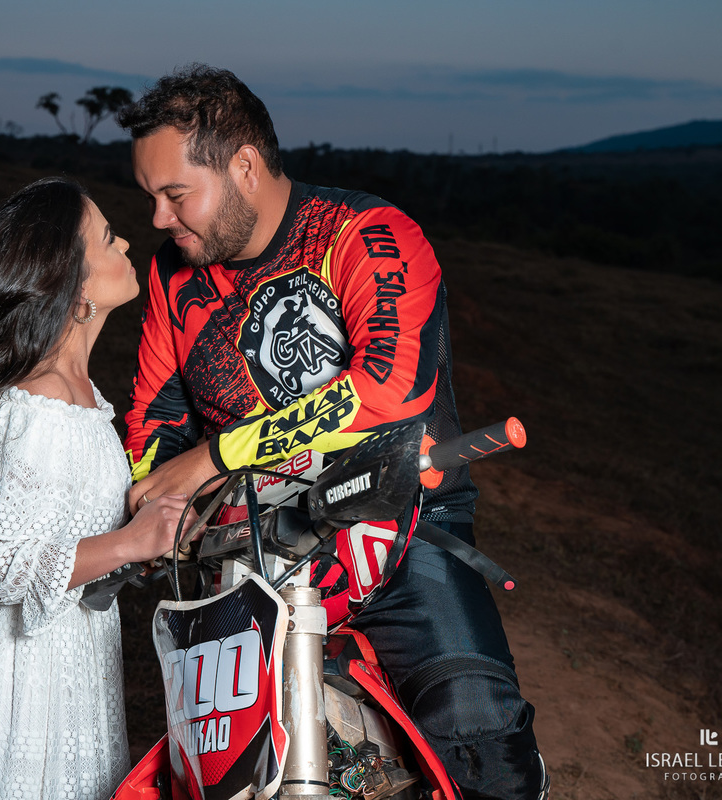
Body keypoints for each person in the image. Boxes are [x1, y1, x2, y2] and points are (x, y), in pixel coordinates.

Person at [117, 66, 549, 800]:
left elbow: (384, 390)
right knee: (225, 775)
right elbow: (155, 420)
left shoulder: (365, 233)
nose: (158, 218)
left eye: (175, 194)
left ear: (244, 167)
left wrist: (218, 455)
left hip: (401, 528)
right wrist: (155, 501)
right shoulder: (173, 276)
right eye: (151, 197)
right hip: (257, 548)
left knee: (482, 745)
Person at [0, 178, 196, 800]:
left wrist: (150, 535)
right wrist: (125, 544)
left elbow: (65, 534)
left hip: (66, 652)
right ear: (76, 288)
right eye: (105, 237)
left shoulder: (82, 397)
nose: (125, 240)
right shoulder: (36, 403)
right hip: (18, 677)